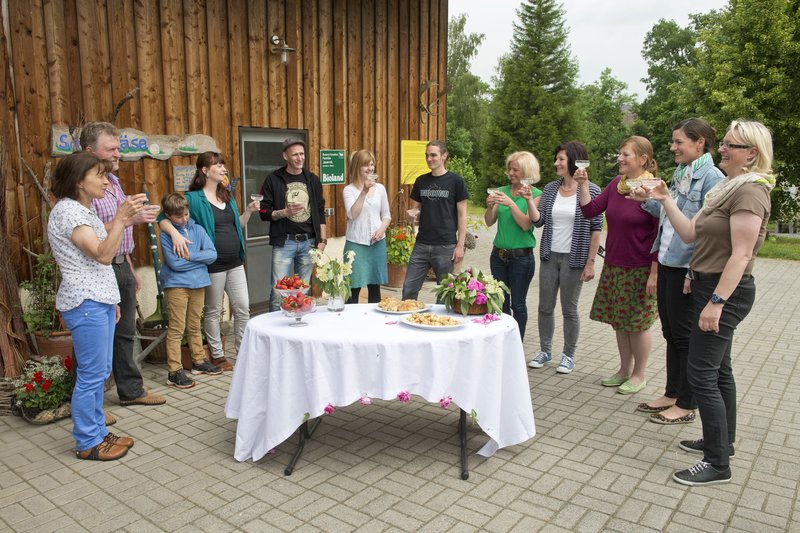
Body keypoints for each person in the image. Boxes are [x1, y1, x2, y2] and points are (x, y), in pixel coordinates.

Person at [642, 119, 773, 486]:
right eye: (725, 143)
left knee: (701, 373)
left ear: (752, 153)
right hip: (707, 285)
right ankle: (722, 442)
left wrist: (716, 302)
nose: (723, 149)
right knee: (720, 371)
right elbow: (687, 231)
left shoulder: (751, 192)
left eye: (732, 145)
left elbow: (742, 255)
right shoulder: (727, 190)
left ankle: (717, 463)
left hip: (723, 290)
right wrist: (665, 199)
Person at [48, 152, 143, 460]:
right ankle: (87, 441)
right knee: (91, 374)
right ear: (78, 181)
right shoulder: (68, 212)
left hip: (98, 300)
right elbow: (102, 255)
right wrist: (121, 217)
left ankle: (99, 432)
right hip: (85, 302)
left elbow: (104, 263)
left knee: (100, 371)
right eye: (99, 175)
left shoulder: (82, 210)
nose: (106, 180)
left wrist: (112, 299)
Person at [634, 119, 725, 424]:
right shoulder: (682, 172)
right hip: (668, 260)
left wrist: (691, 272)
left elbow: (708, 230)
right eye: (673, 142)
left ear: (700, 143)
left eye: (679, 142)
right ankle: (672, 393)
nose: (673, 147)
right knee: (670, 332)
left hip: (687, 267)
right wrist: (648, 201)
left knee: (685, 336)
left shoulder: (712, 177)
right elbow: (670, 214)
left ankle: (687, 403)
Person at [82, 122, 166, 409]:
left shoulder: (114, 182)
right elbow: (87, 236)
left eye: (119, 148)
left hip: (120, 265)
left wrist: (129, 265)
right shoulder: (83, 189)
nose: (119, 154)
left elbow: (121, 231)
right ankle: (91, 405)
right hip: (98, 267)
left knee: (125, 333)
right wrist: (128, 219)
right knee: (99, 339)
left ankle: (131, 391)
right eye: (112, 149)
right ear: (90, 151)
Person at [575, 136, 659, 395]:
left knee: (638, 323)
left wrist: (655, 273)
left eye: (626, 155)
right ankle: (624, 369)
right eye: (619, 154)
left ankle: (639, 374)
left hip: (642, 267)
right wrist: (585, 183)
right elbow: (590, 211)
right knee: (620, 322)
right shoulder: (616, 185)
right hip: (615, 265)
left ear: (643, 159)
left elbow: (661, 233)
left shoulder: (653, 189)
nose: (620, 159)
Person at [160, 152, 259, 371]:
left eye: (223, 164)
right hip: (212, 265)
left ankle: (243, 351)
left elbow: (237, 225)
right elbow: (163, 218)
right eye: (218, 164)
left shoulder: (227, 196)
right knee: (214, 310)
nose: (224, 168)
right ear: (205, 170)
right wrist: (175, 234)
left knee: (242, 307)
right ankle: (217, 355)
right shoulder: (194, 198)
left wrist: (249, 212)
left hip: (235, 262)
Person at [529, 141, 602, 374]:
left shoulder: (593, 189)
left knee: (569, 310)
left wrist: (590, 263)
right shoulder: (550, 189)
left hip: (575, 258)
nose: (556, 163)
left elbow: (596, 228)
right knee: (544, 307)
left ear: (574, 160)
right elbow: (538, 221)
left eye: (560, 159)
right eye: (556, 159)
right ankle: (545, 351)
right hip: (550, 256)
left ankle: (568, 355)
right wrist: (530, 200)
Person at [159, 193, 222, 389]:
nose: (184, 219)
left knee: (195, 326)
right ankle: (174, 371)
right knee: (177, 329)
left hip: (199, 284)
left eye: (186, 214)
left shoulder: (198, 229)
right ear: (169, 216)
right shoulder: (166, 234)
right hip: (177, 285)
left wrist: (189, 255)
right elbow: (175, 264)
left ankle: (198, 362)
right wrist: (197, 259)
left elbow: (212, 255)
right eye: (178, 217)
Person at [258, 138, 327, 312]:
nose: (299, 158)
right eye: (295, 154)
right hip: (284, 242)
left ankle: (298, 327)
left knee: (303, 291)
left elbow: (320, 211)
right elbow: (263, 212)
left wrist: (323, 240)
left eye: (302, 154)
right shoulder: (273, 179)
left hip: (308, 242)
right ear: (285, 156)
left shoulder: (312, 180)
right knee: (278, 291)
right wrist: (284, 212)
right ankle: (273, 333)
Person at [484, 151, 542, 339]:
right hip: (498, 256)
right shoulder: (501, 190)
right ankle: (503, 340)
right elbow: (489, 221)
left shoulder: (536, 195)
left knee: (518, 304)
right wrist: (490, 206)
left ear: (526, 171)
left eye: (515, 169)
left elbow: (526, 224)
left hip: (521, 258)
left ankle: (517, 342)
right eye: (509, 168)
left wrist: (511, 204)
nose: (511, 172)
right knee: (501, 302)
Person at [402, 140, 469, 300]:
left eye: (433, 155)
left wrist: (460, 246)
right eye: (427, 155)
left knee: (444, 295)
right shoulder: (421, 181)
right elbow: (415, 210)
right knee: (409, 289)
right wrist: (410, 214)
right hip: (422, 244)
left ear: (444, 156)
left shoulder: (456, 181)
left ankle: (440, 324)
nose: (429, 159)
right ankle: (408, 320)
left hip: (445, 246)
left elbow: (462, 215)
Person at [343, 149, 391, 303]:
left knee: (375, 286)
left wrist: (382, 229)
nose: (371, 168)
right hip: (356, 244)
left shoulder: (381, 189)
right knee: (353, 287)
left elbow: (386, 215)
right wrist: (364, 191)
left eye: (372, 164)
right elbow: (353, 215)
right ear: (357, 167)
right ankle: (349, 322)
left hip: (377, 243)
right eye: (366, 165)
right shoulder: (348, 190)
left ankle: (374, 323)